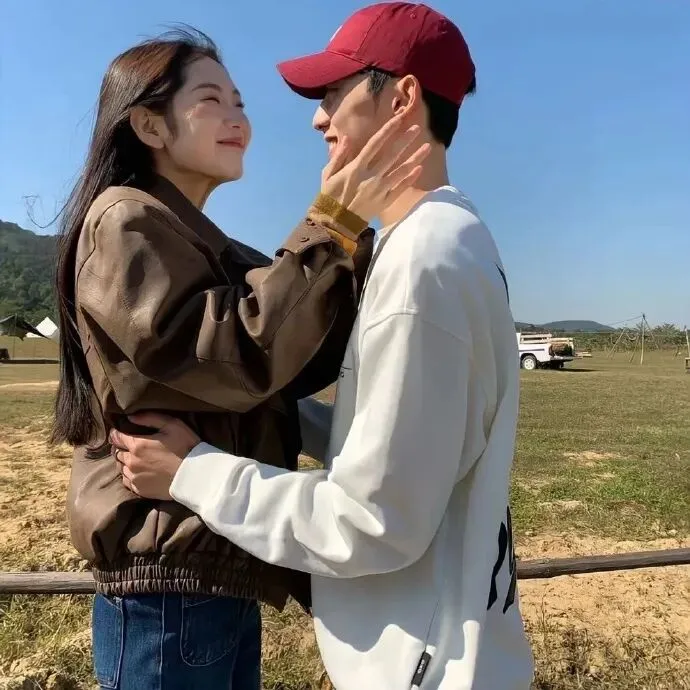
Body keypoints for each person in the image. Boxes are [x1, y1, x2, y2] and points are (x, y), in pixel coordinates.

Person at [111, 4, 535, 689]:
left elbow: (370, 520)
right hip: (447, 643)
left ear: (402, 98)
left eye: (335, 92)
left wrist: (191, 471)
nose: (318, 118)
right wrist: (275, 415)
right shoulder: (446, 237)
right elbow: (398, 437)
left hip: (420, 667)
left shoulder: (420, 262)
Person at [52, 27, 428, 690]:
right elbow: (234, 355)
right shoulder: (125, 219)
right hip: (169, 580)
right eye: (212, 100)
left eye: (241, 103)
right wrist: (333, 222)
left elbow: (299, 359)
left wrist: (358, 245)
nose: (238, 119)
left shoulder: (203, 241)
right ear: (149, 125)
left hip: (206, 562)